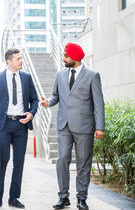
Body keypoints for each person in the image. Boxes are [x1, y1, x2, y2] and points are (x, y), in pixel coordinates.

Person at [40, 42, 105, 210]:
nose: (63, 59)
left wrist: (100, 127)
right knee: (62, 160)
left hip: (85, 126)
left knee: (83, 163)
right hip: (64, 125)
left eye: (66, 56)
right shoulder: (60, 75)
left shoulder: (92, 75)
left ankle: (82, 198)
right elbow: (56, 96)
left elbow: (99, 103)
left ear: (75, 58)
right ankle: (63, 197)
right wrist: (48, 102)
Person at [0, 48, 38, 208]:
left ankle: (14, 197)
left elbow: (34, 99)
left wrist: (31, 113)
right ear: (9, 61)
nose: (21, 61)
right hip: (3, 124)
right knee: (2, 161)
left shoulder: (27, 78)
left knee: (19, 162)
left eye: (21, 58)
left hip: (21, 124)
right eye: (18, 59)